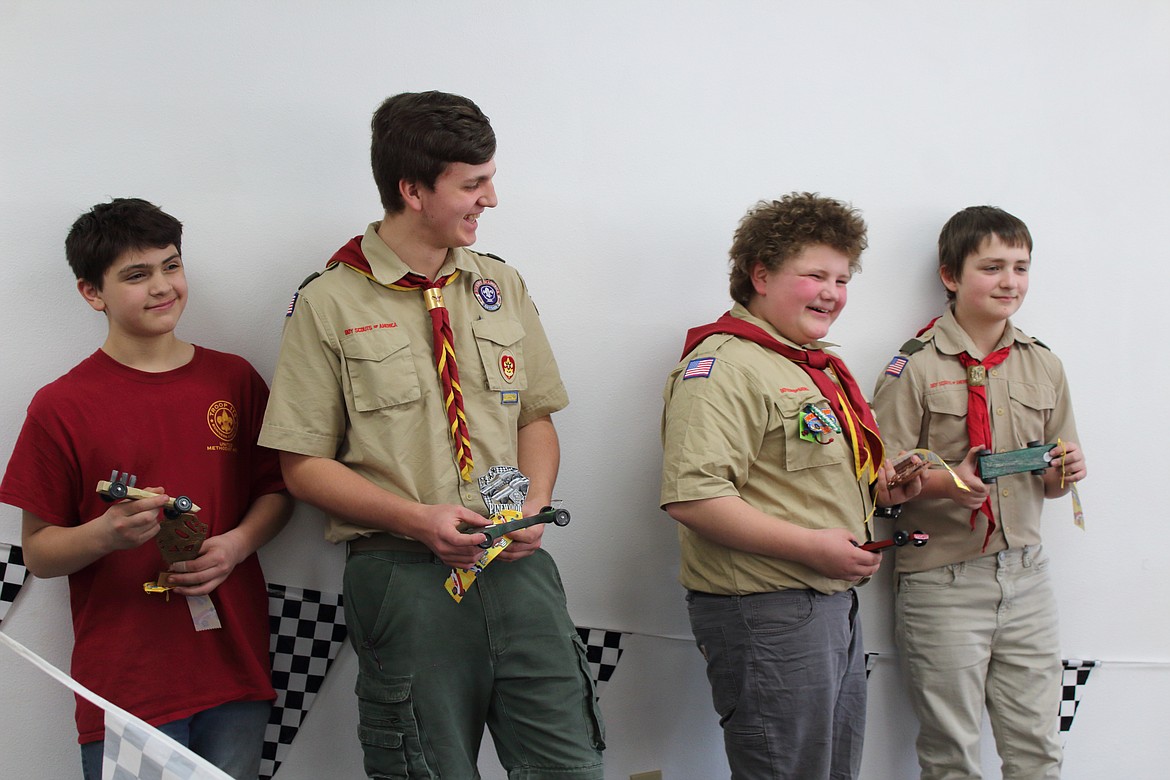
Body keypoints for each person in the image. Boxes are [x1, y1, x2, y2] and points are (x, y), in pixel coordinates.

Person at [258, 91, 604, 779]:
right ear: (412, 189)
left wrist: (532, 504)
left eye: (490, 178)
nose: (491, 199)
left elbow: (534, 414)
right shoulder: (330, 302)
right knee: (427, 768)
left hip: (517, 566)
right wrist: (418, 519)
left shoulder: (498, 284)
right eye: (472, 184)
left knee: (570, 765)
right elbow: (301, 465)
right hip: (406, 576)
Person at [0, 197, 292, 780]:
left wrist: (236, 545)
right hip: (127, 685)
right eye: (137, 275)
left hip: (235, 667)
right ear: (92, 292)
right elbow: (39, 552)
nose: (162, 287)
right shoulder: (62, 405)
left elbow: (278, 492)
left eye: (171, 265)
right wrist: (104, 535)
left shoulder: (233, 378)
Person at [659, 192, 923, 780]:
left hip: (827, 605)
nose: (832, 292)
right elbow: (694, 497)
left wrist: (880, 492)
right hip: (767, 611)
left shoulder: (806, 364)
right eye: (814, 275)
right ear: (761, 275)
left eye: (842, 277)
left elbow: (795, 479)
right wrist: (813, 548)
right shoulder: (724, 366)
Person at [871, 205, 1086, 779]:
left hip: (1026, 573)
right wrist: (947, 482)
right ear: (950, 275)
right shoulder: (911, 367)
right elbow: (875, 481)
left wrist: (1065, 472)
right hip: (943, 580)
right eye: (992, 267)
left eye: (1020, 266)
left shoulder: (1044, 365)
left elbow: (1052, 479)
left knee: (1038, 750)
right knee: (952, 756)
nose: (1010, 281)